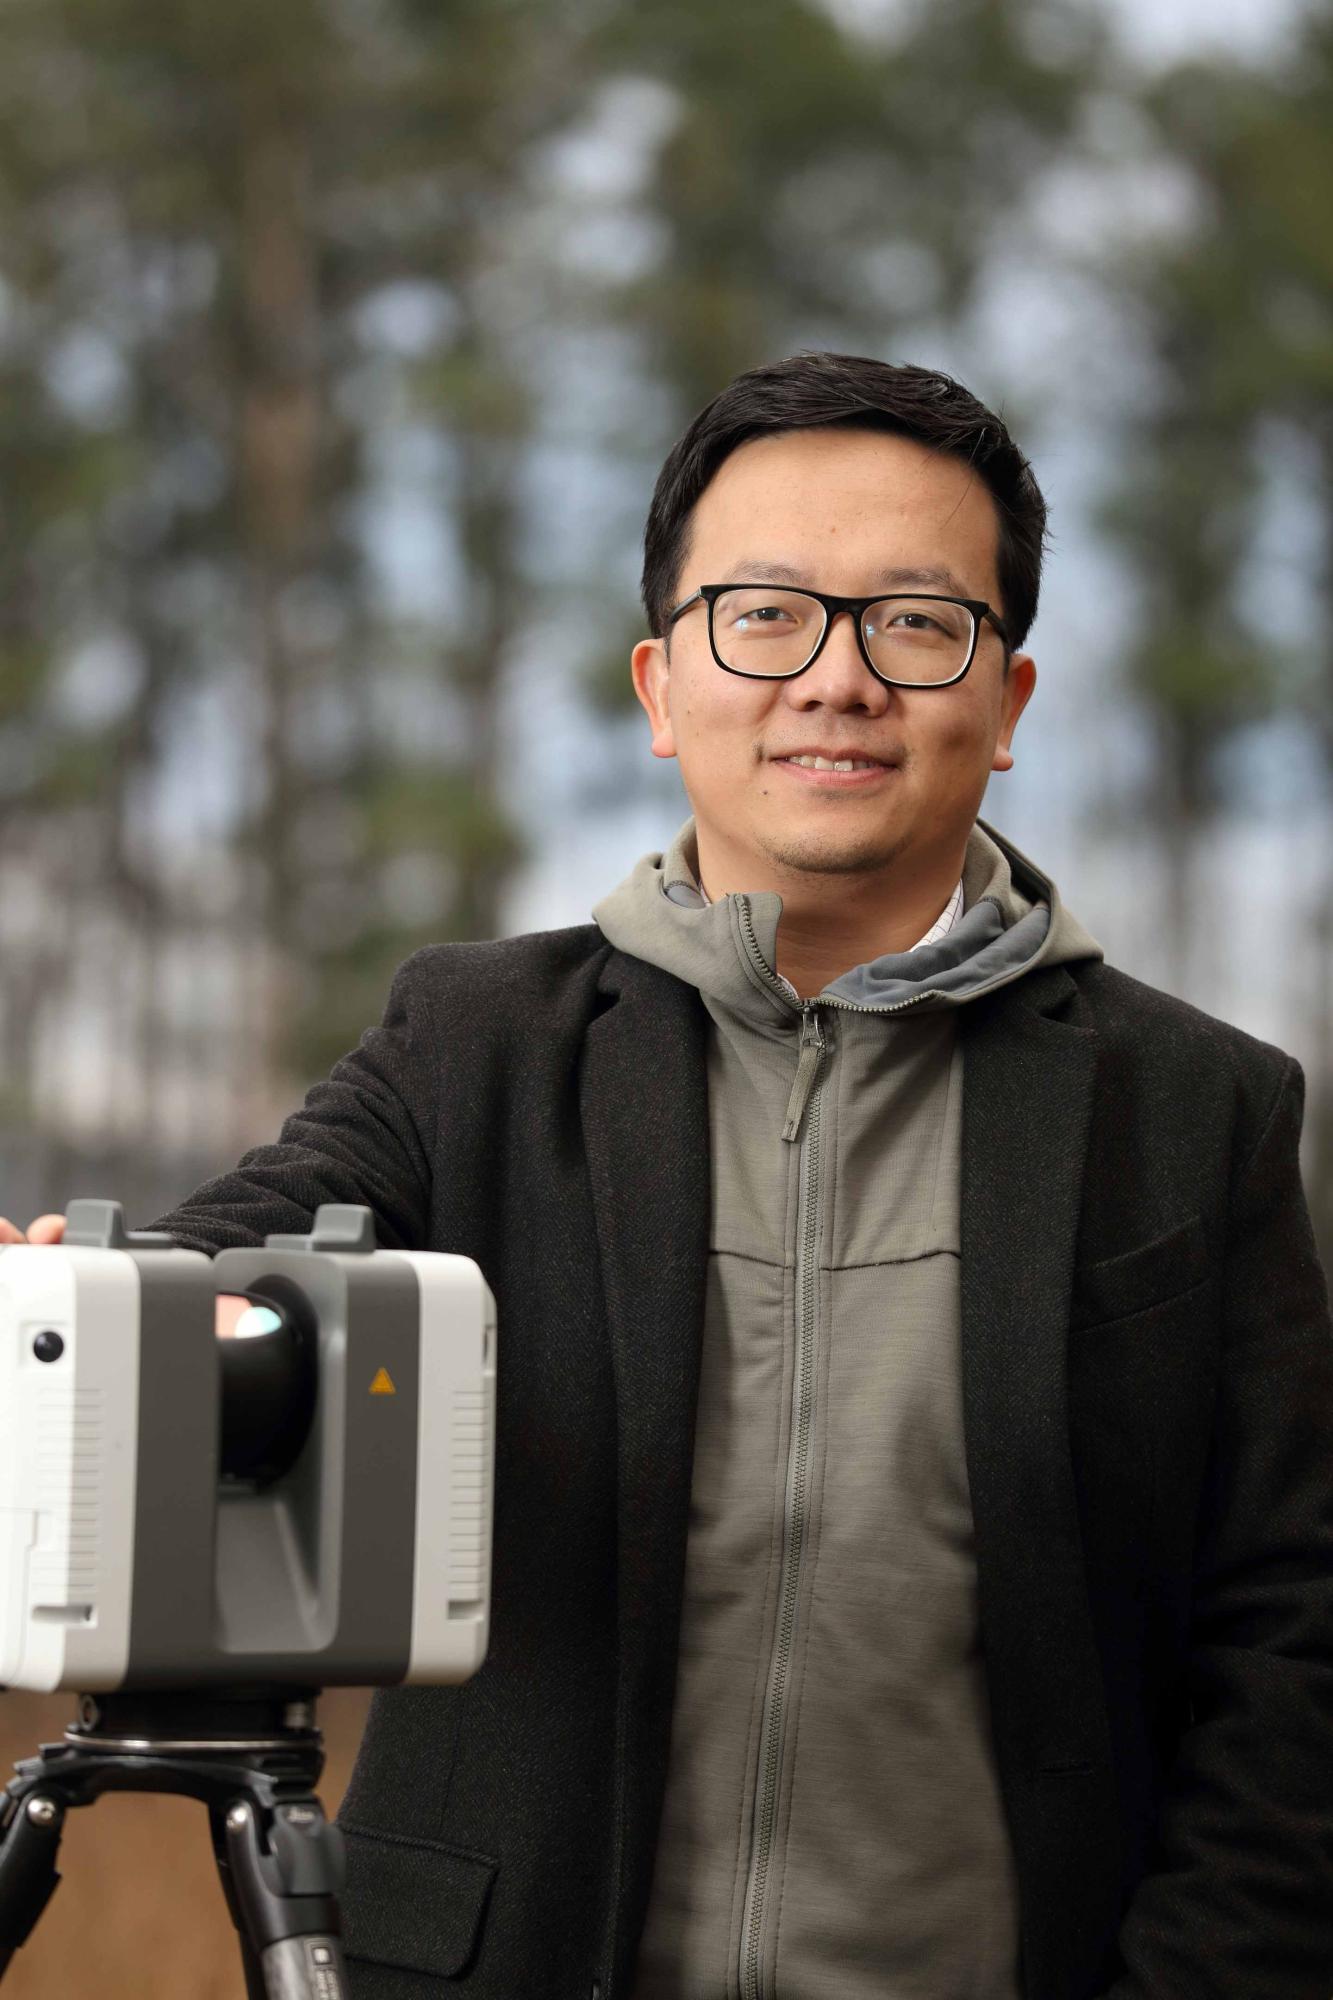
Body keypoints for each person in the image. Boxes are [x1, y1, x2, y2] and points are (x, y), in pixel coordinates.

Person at [4, 350, 1332, 2000]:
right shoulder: (476, 1040)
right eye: (762, 613)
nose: (835, 680)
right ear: (657, 687)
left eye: (914, 622)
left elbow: (1288, 1629)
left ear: (1005, 704)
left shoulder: (1194, 1106)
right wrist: (86, 1295)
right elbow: (254, 1242)